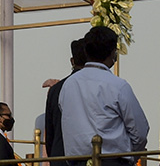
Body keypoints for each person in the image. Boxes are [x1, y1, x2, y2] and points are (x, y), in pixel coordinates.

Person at [59, 26, 149, 166]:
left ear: (86, 51)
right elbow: (140, 131)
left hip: (78, 162)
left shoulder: (68, 85)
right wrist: (129, 155)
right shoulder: (117, 85)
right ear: (113, 53)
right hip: (112, 160)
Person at [43, 38, 87, 158]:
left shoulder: (56, 89)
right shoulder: (93, 86)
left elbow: (50, 131)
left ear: (72, 61)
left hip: (59, 154)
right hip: (85, 156)